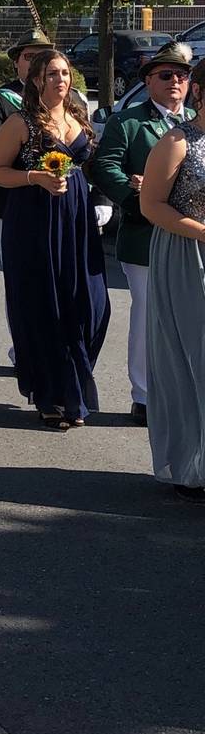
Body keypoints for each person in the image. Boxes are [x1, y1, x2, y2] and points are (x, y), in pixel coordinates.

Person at [0, 50, 110, 429]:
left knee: (91, 304)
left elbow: (91, 166)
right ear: (37, 79)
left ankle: (72, 385)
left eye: (65, 73)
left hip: (76, 219)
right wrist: (34, 178)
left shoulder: (77, 115)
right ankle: (52, 396)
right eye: (53, 73)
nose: (61, 80)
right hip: (33, 221)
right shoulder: (19, 122)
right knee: (43, 306)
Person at [92, 42, 195, 426]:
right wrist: (139, 200)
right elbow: (105, 166)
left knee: (189, 317)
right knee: (149, 315)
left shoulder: (196, 121)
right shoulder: (129, 122)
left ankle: (183, 390)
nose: (175, 82)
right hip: (145, 235)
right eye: (165, 75)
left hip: (192, 236)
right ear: (148, 81)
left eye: (181, 75)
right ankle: (145, 395)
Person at [140, 58, 205, 502]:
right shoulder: (177, 141)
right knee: (192, 359)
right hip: (187, 254)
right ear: (200, 92)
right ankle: (190, 464)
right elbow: (152, 205)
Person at [0, 29, 56, 262]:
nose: (36, 62)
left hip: (52, 201)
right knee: (21, 272)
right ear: (16, 62)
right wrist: (32, 165)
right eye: (29, 57)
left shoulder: (64, 99)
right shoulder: (1, 100)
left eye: (42, 56)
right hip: (10, 202)